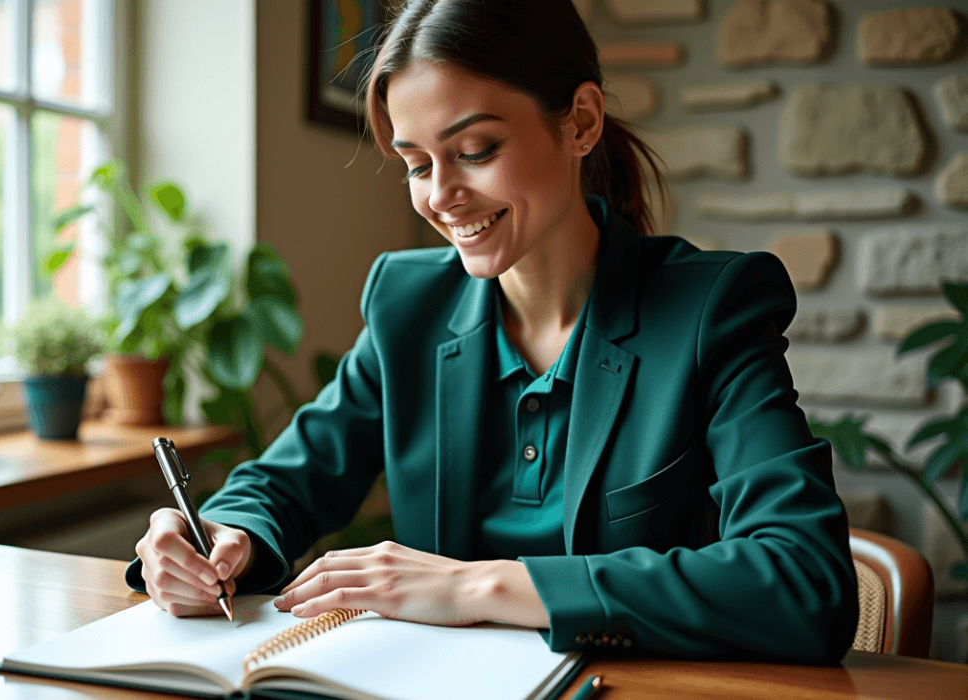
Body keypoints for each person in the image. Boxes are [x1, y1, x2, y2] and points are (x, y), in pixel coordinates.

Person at [127, 0, 858, 663]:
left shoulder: (710, 309)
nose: (440, 197)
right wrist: (221, 540)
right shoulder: (407, 303)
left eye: (474, 151)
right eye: (416, 164)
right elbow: (285, 480)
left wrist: (480, 589)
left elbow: (804, 580)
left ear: (580, 122)